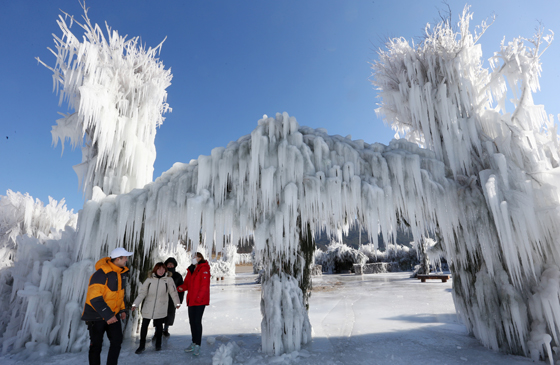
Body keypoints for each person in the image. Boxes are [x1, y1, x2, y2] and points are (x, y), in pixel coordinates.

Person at [82, 247, 133, 365]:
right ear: (118, 259)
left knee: (117, 341)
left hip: (112, 314)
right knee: (96, 346)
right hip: (96, 316)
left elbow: (119, 294)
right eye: (124, 257)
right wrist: (108, 315)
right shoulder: (100, 274)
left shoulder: (121, 273)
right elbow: (95, 298)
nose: (126, 259)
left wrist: (122, 309)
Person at [132, 262, 181, 354]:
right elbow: (142, 293)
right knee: (144, 326)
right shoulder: (149, 279)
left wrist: (177, 303)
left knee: (159, 327)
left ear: (165, 270)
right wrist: (135, 304)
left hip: (161, 307)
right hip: (148, 306)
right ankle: (141, 346)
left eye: (163, 269)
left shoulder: (168, 280)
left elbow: (173, 292)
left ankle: (158, 345)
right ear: (155, 270)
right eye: (159, 269)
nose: (161, 271)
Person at [177, 252, 210, 356]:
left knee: (197, 322)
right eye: (193, 257)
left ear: (200, 258)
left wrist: (199, 298)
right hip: (191, 300)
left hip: (200, 301)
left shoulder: (204, 269)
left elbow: (204, 286)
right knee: (192, 322)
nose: (193, 258)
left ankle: (198, 345)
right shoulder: (191, 269)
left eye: (195, 257)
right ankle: (193, 342)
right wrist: (181, 288)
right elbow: (187, 283)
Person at [163, 257, 184, 336]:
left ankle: (165, 329)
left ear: (174, 266)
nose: (170, 266)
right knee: (158, 315)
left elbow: (181, 289)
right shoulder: (161, 273)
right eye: (169, 264)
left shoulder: (178, 276)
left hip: (172, 300)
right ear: (166, 265)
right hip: (161, 299)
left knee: (169, 315)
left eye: (172, 265)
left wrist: (179, 301)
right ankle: (157, 331)